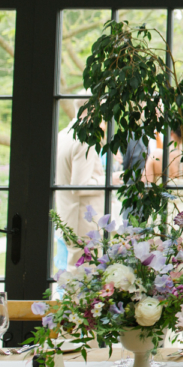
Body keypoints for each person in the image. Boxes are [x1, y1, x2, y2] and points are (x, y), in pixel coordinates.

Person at [53, 116, 107, 271]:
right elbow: (79, 186)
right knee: (85, 276)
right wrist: (110, 180)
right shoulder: (84, 140)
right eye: (102, 118)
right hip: (84, 221)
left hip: (67, 216)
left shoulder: (63, 135)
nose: (104, 125)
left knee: (72, 272)